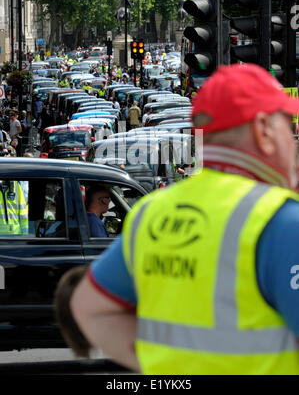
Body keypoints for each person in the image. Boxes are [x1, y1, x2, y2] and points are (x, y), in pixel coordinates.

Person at [68, 63, 299, 374]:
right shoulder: (281, 220)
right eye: (289, 126)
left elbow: (90, 307)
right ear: (263, 131)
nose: (293, 139)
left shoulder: (152, 211)